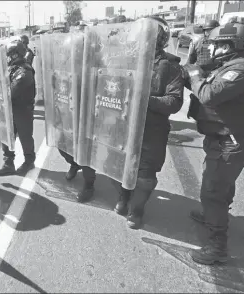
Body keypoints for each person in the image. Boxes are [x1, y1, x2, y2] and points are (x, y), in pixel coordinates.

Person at [77, 16, 185, 230]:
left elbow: (174, 102)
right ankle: (124, 196)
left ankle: (137, 209)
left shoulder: (170, 67)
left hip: (151, 130)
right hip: (120, 126)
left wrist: (142, 99)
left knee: (145, 177)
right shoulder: (121, 59)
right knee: (114, 166)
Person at [183, 21, 244, 265]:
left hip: (231, 142)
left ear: (234, 45)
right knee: (217, 186)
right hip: (222, 138)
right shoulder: (231, 67)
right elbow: (203, 88)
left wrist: (196, 74)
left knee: (213, 191)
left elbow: (209, 94)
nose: (215, 50)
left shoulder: (243, 71)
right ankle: (212, 214)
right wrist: (191, 75)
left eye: (219, 45)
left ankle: (217, 246)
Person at [0, 41, 37, 176]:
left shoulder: (25, 71)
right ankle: (8, 163)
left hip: (22, 110)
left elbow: (12, 91)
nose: (7, 58)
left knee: (25, 137)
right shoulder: (11, 68)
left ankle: (29, 161)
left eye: (9, 55)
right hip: (10, 109)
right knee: (7, 136)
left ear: (15, 55)